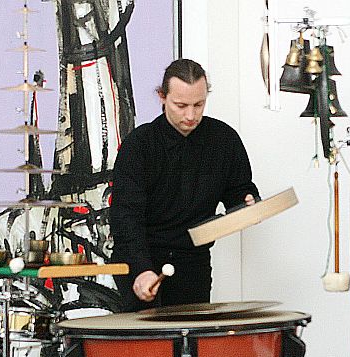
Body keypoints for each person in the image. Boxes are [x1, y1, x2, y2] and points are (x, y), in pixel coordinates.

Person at [110, 58, 260, 313]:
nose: (190, 115)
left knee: (190, 347)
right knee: (147, 348)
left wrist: (247, 201)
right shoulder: (140, 145)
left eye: (198, 104)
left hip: (193, 263)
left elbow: (238, 189)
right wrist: (142, 269)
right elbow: (126, 216)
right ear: (162, 97)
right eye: (180, 105)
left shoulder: (224, 140)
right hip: (141, 257)